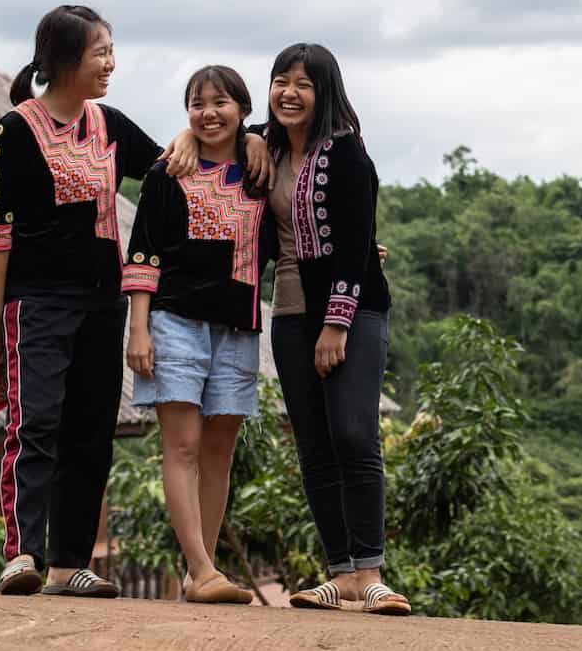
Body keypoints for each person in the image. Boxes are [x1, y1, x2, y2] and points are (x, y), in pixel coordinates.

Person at [171, 44, 409, 615]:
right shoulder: (266, 146)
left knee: (354, 434)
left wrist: (337, 324)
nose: (290, 93)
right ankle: (340, 573)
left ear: (325, 91)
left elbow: (355, 246)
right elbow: (215, 131)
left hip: (353, 311)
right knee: (313, 445)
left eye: (303, 83)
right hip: (288, 313)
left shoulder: (348, 154)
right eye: (281, 81)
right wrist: (184, 138)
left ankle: (370, 573)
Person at [0, 5, 161, 598]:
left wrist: (236, 145)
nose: (110, 62)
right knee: (37, 425)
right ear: (62, 61)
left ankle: (68, 562)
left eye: (110, 49)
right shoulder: (16, 129)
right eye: (99, 52)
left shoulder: (111, 125)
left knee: (90, 430)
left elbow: (170, 173)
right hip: (38, 304)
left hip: (104, 304)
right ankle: (21, 555)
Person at [122, 66, 270, 605]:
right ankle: (203, 567)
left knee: (219, 451)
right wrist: (138, 327)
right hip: (174, 321)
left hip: (238, 326)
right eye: (197, 104)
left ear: (243, 109)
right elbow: (143, 251)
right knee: (181, 446)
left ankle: (200, 574)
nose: (208, 113)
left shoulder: (261, 169)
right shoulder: (168, 171)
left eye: (220, 102)